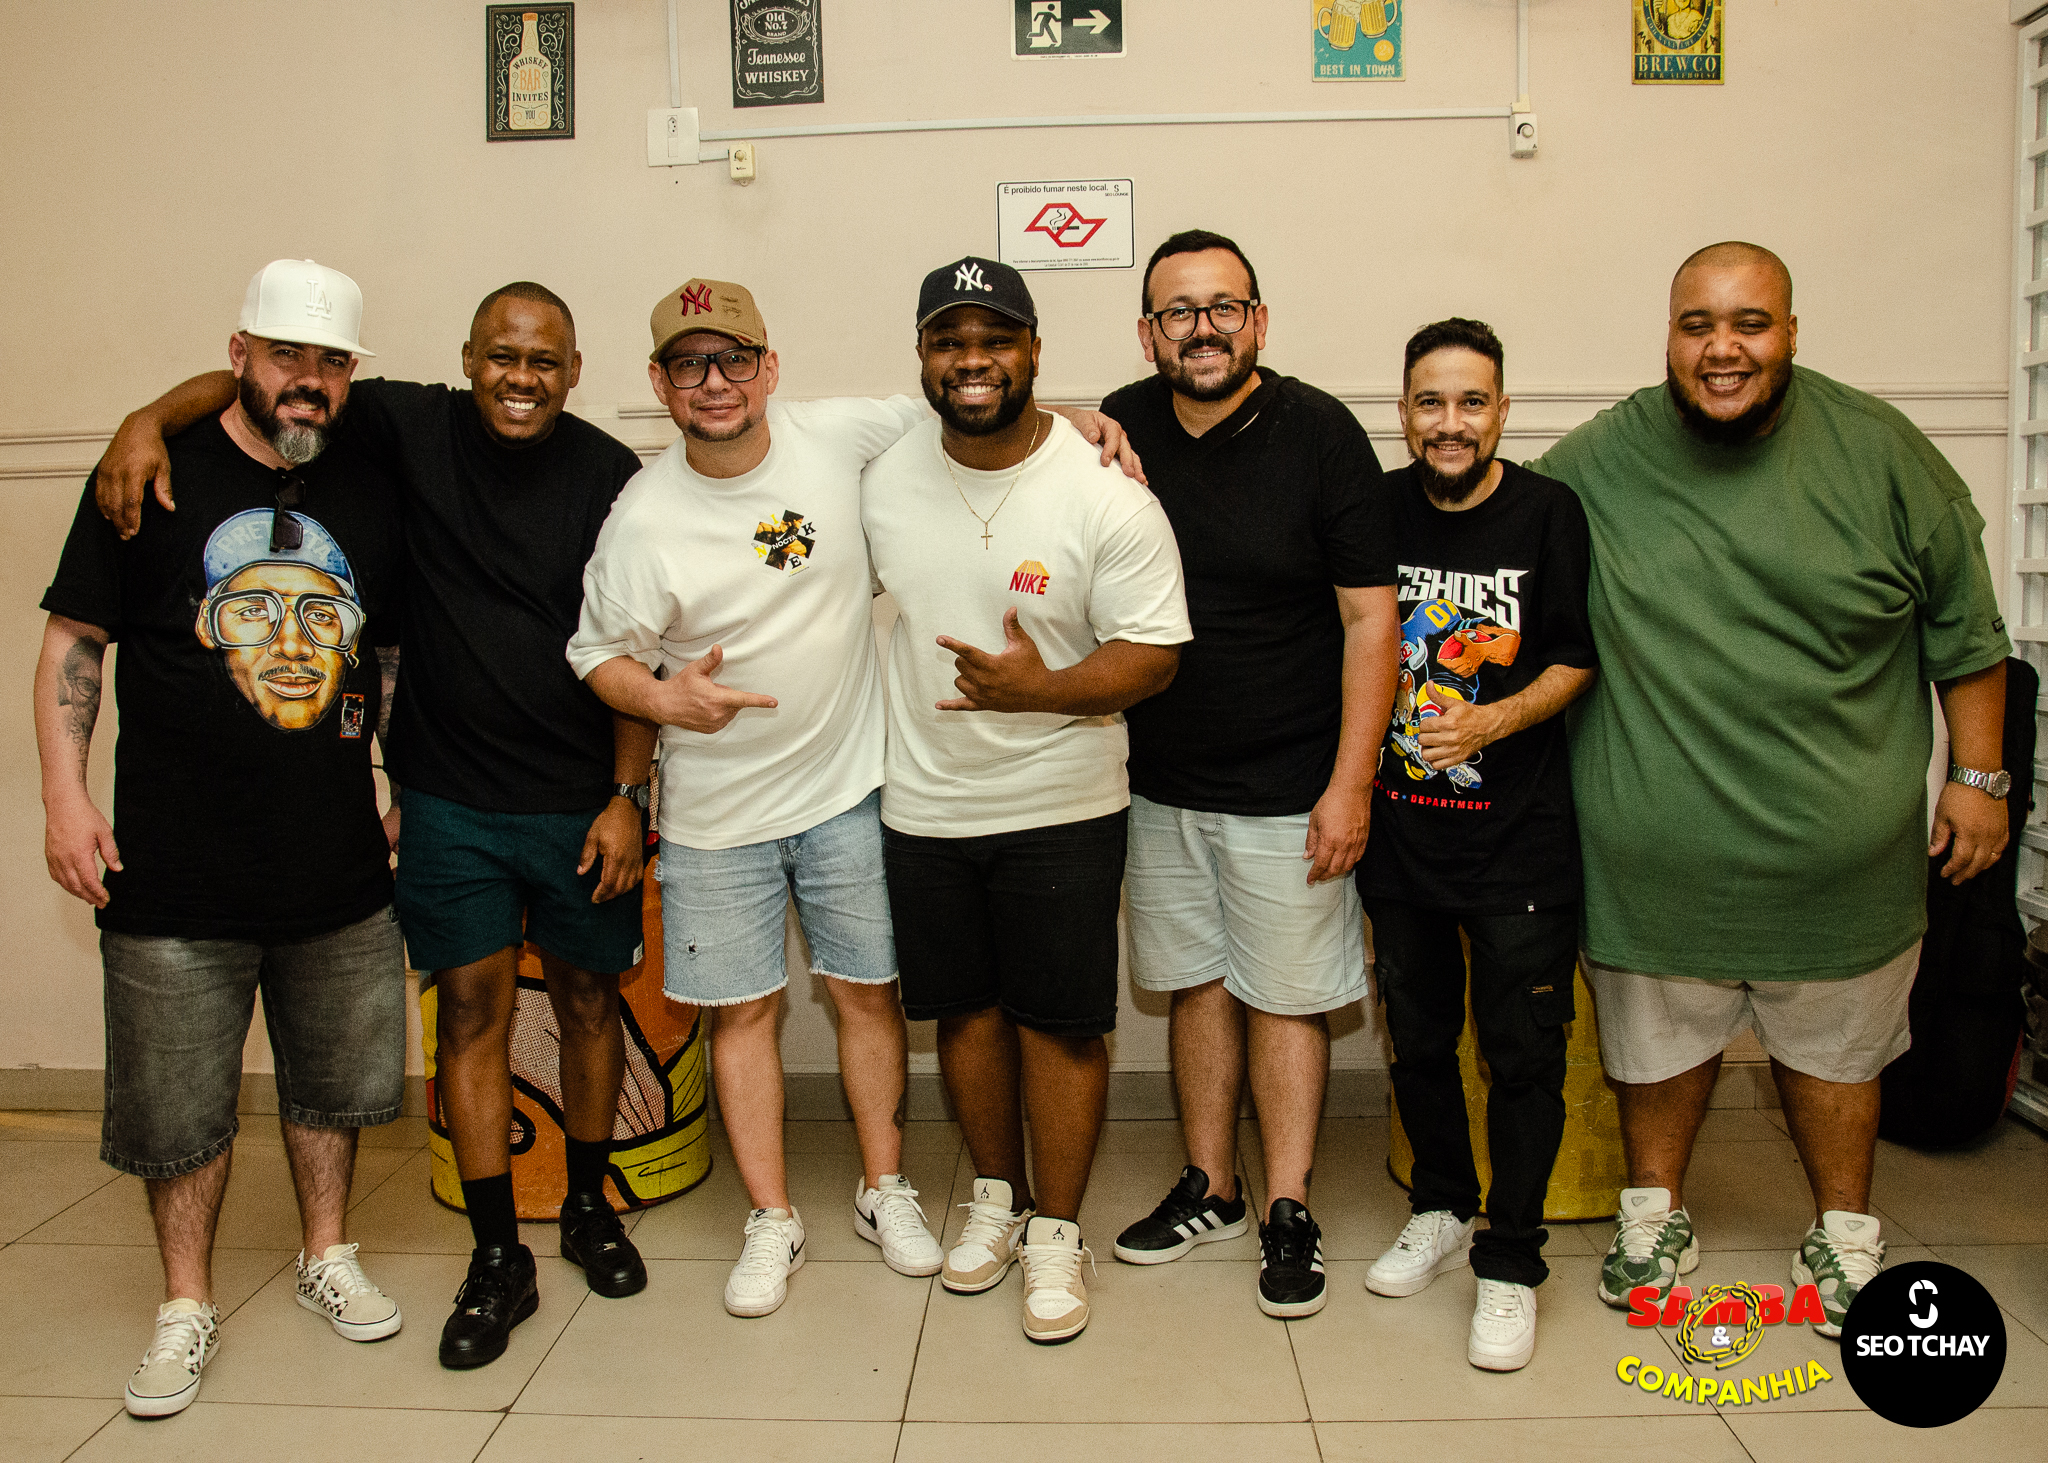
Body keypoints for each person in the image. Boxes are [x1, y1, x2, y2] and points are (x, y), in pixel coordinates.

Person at [93, 281, 660, 1371]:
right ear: (468, 357)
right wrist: (144, 418)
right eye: (502, 356)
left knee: (591, 1005)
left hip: (579, 797)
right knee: (472, 1014)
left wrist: (626, 797)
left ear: (575, 372)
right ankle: (496, 1251)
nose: (521, 378)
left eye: (544, 361)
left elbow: (645, 641)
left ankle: (589, 1205)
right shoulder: (410, 421)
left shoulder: (611, 476)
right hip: (450, 801)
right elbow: (264, 385)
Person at [565, 276, 1143, 1320]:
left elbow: (974, 402)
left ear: (769, 367)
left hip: (848, 789)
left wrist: (1079, 419)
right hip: (714, 814)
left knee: (869, 994)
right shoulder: (640, 516)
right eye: (689, 364)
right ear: (658, 382)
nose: (715, 381)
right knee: (742, 1014)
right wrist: (662, 699)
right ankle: (772, 1215)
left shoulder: (837, 434)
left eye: (734, 358)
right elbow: (596, 653)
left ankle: (885, 1187)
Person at [1532, 242, 2012, 1337]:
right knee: (1655, 1046)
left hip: (1838, 855)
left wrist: (1978, 779)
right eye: (1696, 324)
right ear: (1667, 336)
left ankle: (1843, 1229)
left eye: (1748, 323)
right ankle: (1652, 1216)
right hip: (1655, 855)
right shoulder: (1598, 460)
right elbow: (1476, 524)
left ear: (1791, 331)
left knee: (1837, 1054)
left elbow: (1967, 635)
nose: (1722, 348)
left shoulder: (1882, 453)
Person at [38, 259, 406, 1417]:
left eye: (331, 361)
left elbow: (387, 650)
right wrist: (63, 797)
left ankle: (326, 1252)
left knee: (332, 1088)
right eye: (286, 354)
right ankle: (184, 1301)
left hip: (335, 860)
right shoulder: (149, 473)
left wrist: (393, 773)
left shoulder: (369, 478)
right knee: (175, 1110)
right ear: (238, 354)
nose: (309, 380)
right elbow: (74, 643)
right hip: (171, 865)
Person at [864, 257, 1190, 1342]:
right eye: (949, 340)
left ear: (1034, 349)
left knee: (1060, 1021)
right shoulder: (879, 470)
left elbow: (1154, 653)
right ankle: (996, 1198)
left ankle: (1057, 1227)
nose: (973, 360)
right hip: (924, 802)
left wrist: (1039, 691)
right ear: (922, 356)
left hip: (1062, 799)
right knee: (964, 1012)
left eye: (995, 338)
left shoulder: (1104, 491)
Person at [1097, 230, 1399, 1318]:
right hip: (1157, 780)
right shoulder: (1119, 424)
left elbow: (1371, 622)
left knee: (1287, 994)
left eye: (1224, 306)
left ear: (1258, 321)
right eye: (1178, 311)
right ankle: (1211, 1187)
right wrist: (1074, 421)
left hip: (1291, 784)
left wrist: (1349, 783)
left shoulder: (1321, 434)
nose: (1203, 329)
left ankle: (1286, 1203)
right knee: (1195, 982)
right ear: (1148, 333)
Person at [1355, 319, 1596, 1372]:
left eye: (1470, 401)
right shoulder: (1371, 509)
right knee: (1416, 1039)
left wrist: (1491, 720)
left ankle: (1509, 1257)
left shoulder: (1547, 512)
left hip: (1518, 845)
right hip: (1401, 838)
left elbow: (1574, 657)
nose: (1448, 422)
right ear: (1403, 410)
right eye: (1429, 401)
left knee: (1521, 1055)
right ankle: (1443, 1207)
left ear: (1501, 411)